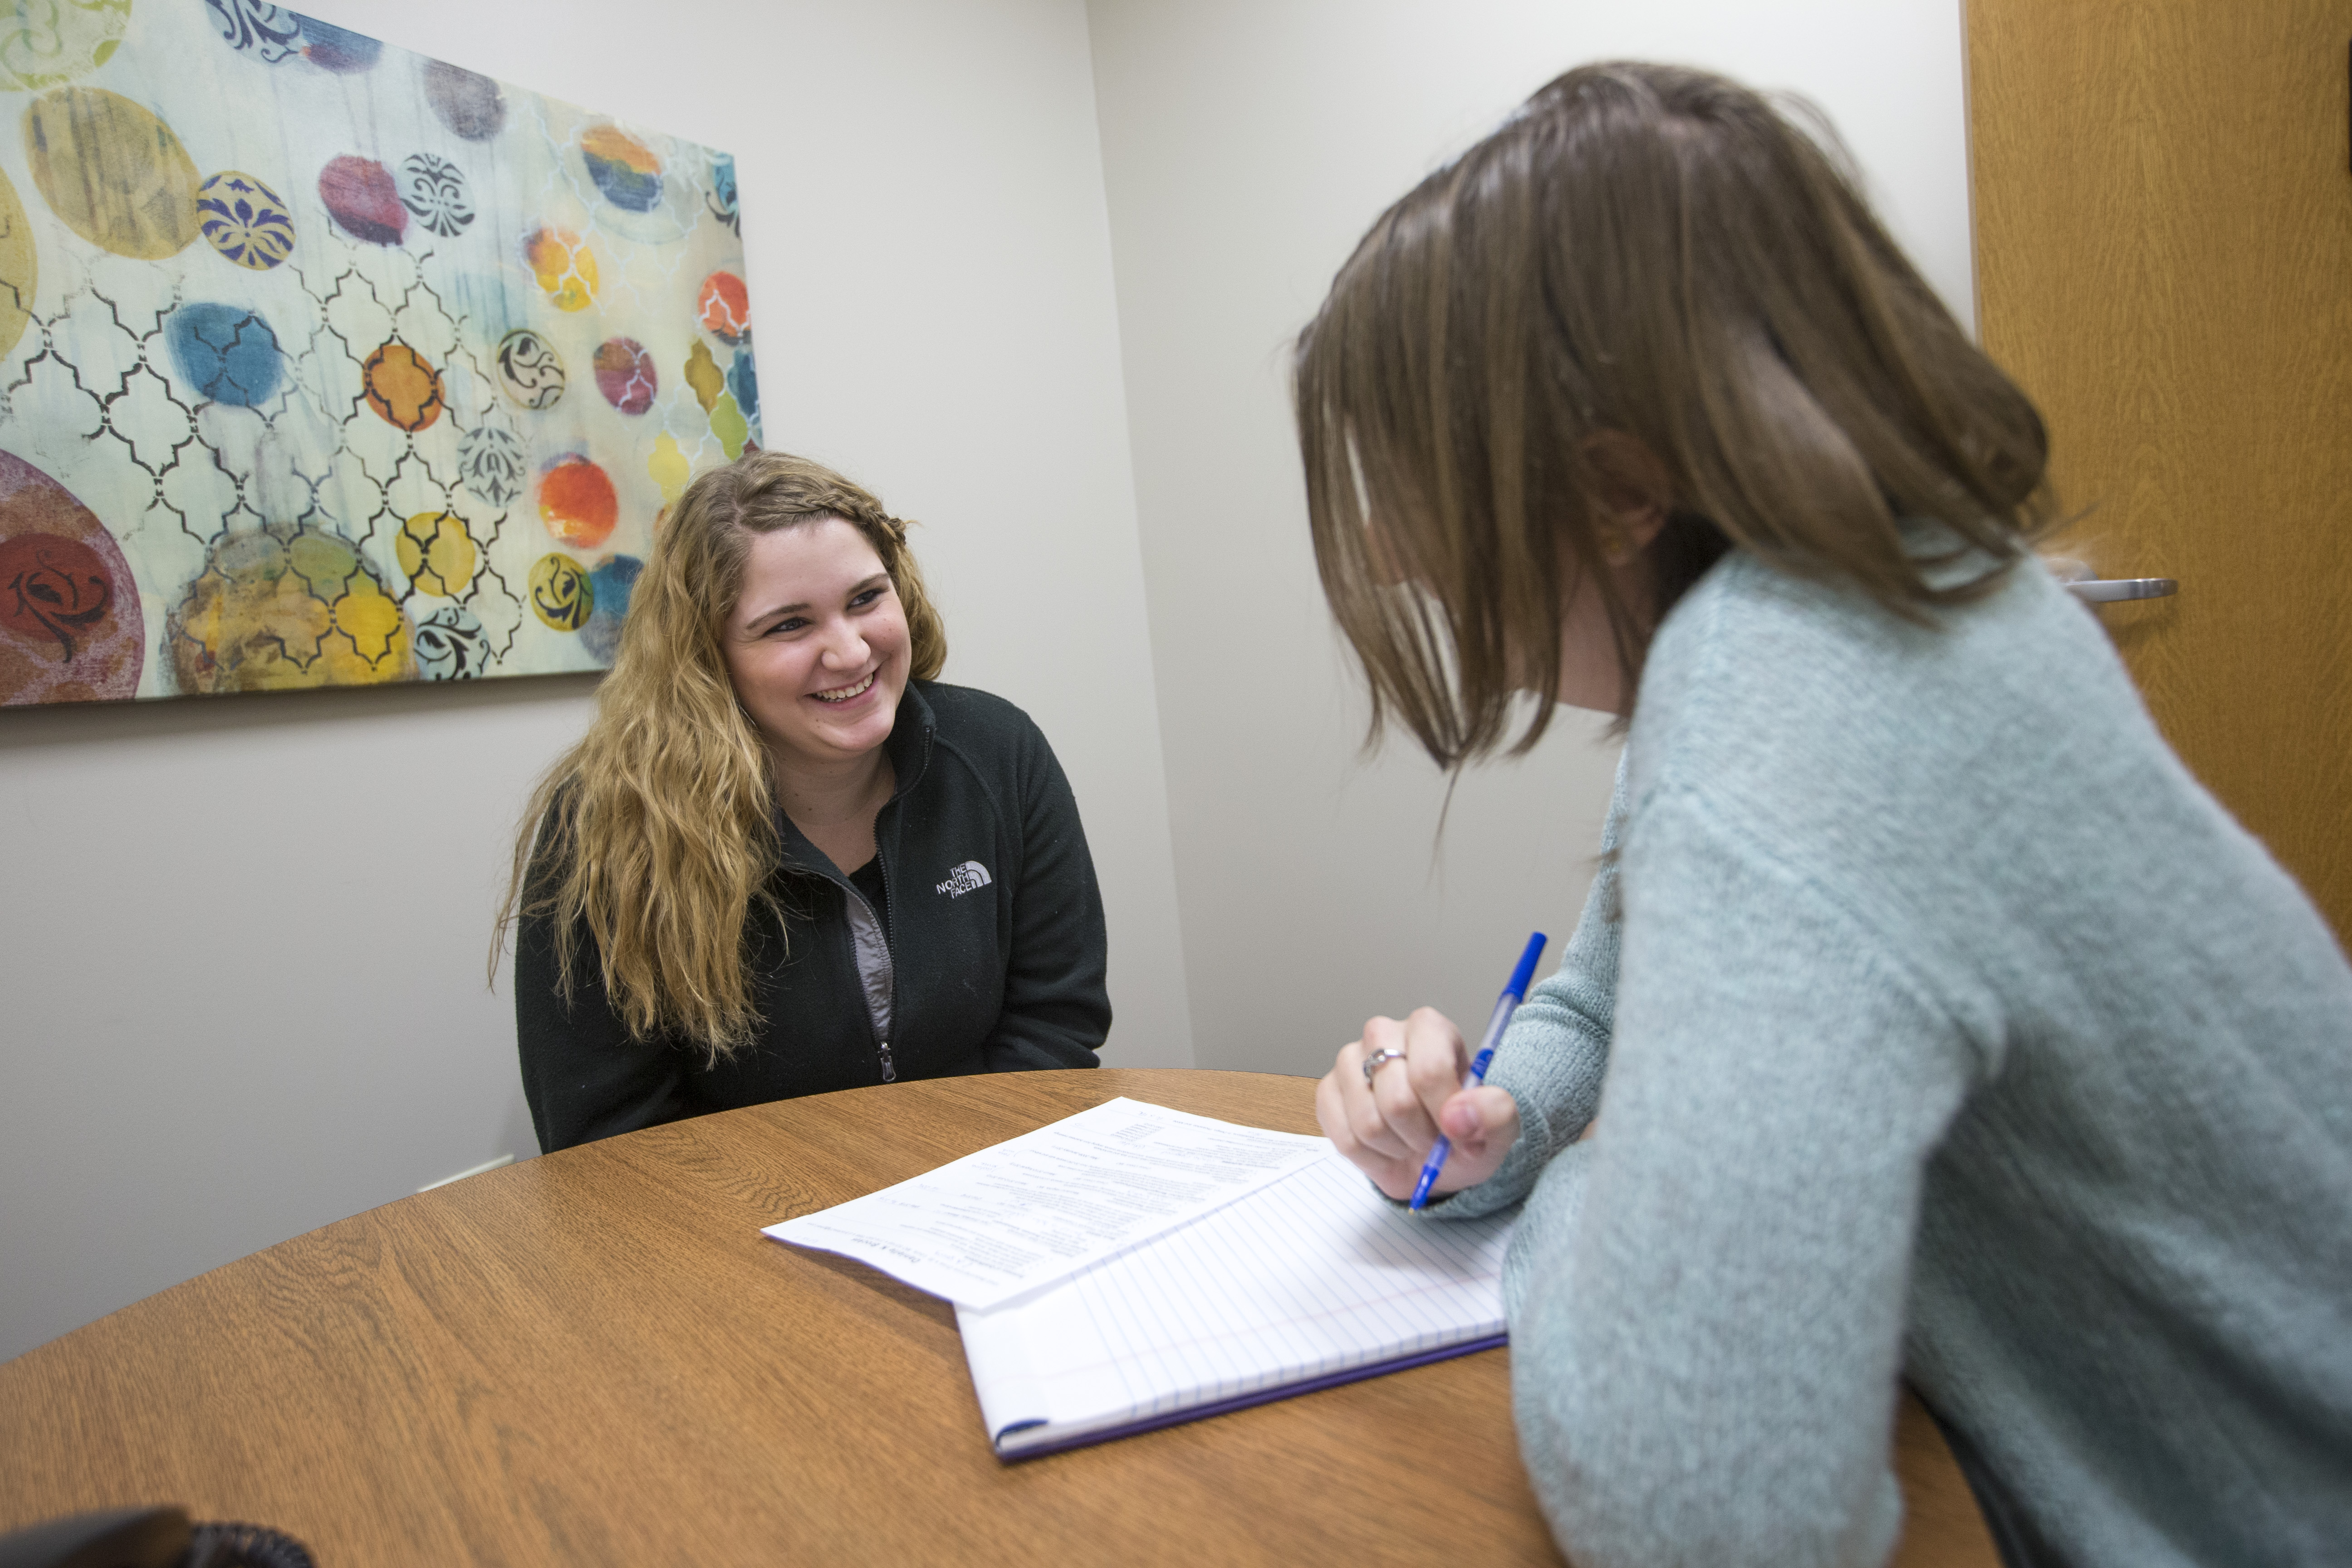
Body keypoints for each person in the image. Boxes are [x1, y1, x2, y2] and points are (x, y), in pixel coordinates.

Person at [1297, 63, 2351, 1568]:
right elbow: (1601, 983)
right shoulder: (1890, 598)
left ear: (1613, 490)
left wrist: (1593, 1180)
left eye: (1421, 483)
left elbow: (1704, 1511)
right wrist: (1507, 1117)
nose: (1406, 558)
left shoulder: (1787, 688)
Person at [499, 451, 1110, 1152]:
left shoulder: (999, 752)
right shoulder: (609, 827)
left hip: (989, 1183)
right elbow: (608, 1139)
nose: (850, 653)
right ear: (707, 656)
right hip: (741, 1233)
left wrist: (958, 1190)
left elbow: (1056, 1024)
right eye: (789, 625)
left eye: (865, 600)